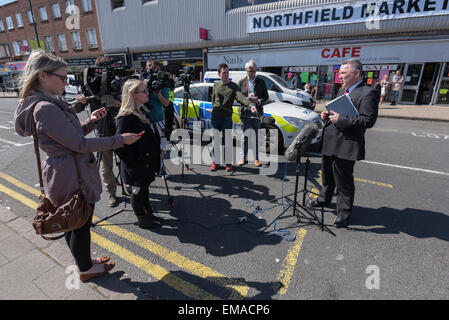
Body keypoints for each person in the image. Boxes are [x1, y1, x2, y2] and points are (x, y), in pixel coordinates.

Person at [14, 50, 141, 282]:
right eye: (62, 78)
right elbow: (79, 144)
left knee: (73, 220)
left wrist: (91, 122)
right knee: (79, 222)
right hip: (71, 173)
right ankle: (85, 269)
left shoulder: (47, 103)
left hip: (67, 169)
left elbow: (70, 138)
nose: (66, 82)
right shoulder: (46, 108)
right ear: (42, 76)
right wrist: (120, 140)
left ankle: (83, 262)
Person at [311, 59, 379, 228]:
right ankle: (324, 199)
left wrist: (341, 119)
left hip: (346, 144)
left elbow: (367, 121)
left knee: (343, 182)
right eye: (339, 73)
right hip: (330, 141)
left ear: (356, 74)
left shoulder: (367, 93)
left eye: (343, 73)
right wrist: (326, 115)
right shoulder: (343, 91)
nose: (339, 76)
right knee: (327, 176)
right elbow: (336, 111)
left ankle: (344, 214)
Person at [73, 56, 122, 207]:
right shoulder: (91, 84)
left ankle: (128, 187)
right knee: (106, 165)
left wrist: (117, 103)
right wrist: (80, 101)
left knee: (125, 162)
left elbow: (126, 102)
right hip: (102, 130)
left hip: (120, 127)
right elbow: (76, 109)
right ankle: (111, 193)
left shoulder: (117, 82)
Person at [115, 79, 164, 229]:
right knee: (137, 191)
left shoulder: (141, 111)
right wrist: (135, 163)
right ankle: (142, 219)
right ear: (133, 95)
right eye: (144, 91)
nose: (148, 93)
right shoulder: (125, 117)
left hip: (147, 162)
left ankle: (148, 213)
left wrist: (158, 151)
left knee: (145, 189)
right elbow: (119, 146)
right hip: (137, 165)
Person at [210, 63, 256, 172]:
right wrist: (213, 111)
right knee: (215, 141)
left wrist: (250, 106)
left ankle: (228, 163)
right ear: (219, 74)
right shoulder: (215, 85)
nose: (226, 75)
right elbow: (213, 100)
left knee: (227, 141)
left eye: (227, 72)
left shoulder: (233, 86)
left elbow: (241, 97)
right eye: (224, 73)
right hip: (215, 118)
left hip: (226, 118)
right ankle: (215, 162)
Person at [237, 59, 268, 167]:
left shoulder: (261, 82)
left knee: (256, 136)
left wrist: (258, 101)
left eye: (254, 71)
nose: (252, 73)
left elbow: (266, 97)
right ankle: (242, 158)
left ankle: (256, 159)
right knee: (244, 137)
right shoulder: (241, 82)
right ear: (246, 70)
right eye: (250, 71)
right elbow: (238, 97)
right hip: (245, 112)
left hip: (257, 113)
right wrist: (247, 99)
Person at [142, 60, 170, 165]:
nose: (154, 72)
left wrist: (159, 93)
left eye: (157, 70)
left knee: (161, 145)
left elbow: (166, 104)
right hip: (143, 119)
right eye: (151, 68)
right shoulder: (141, 82)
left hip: (158, 118)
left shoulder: (161, 83)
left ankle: (161, 167)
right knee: (147, 146)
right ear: (146, 69)